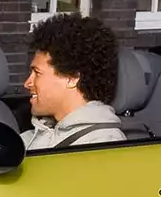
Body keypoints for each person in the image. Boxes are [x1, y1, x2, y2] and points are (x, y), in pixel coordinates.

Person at [22, 14, 125, 150]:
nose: (27, 83)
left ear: (72, 78)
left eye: (37, 73)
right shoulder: (30, 137)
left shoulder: (103, 145)